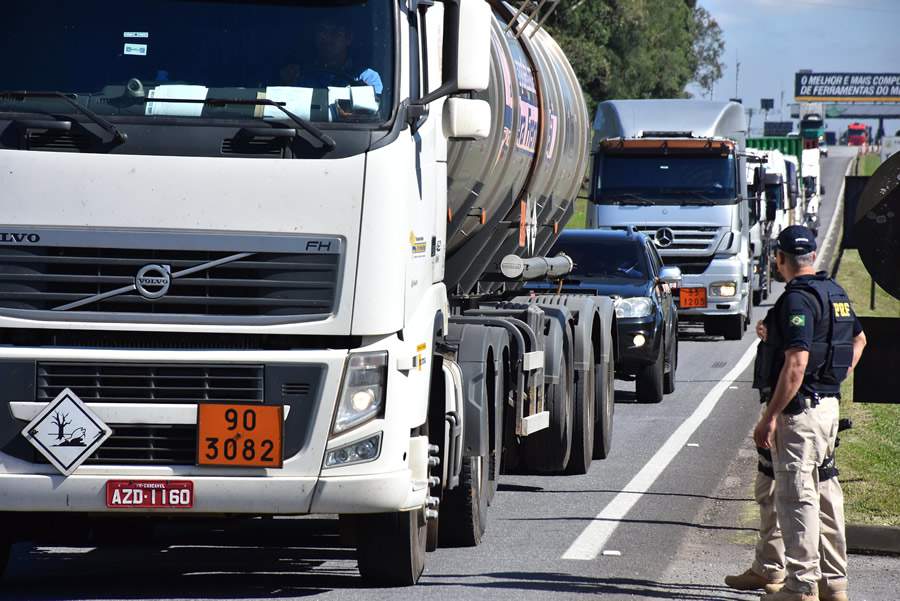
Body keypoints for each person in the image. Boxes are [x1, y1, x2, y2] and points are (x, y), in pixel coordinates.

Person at [752, 225, 866, 601]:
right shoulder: (836, 293)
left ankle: (800, 587)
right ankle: (833, 584)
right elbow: (858, 339)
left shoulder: (796, 300)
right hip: (828, 406)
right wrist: (834, 375)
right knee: (826, 492)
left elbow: (797, 363)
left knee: (797, 496)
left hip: (802, 412)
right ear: (813, 256)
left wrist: (770, 416)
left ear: (780, 259)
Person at [279, 21, 383, 94]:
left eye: (335, 32)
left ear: (348, 38)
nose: (326, 37)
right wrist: (287, 84)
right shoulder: (299, 75)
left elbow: (374, 116)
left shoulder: (368, 78)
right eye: (322, 31)